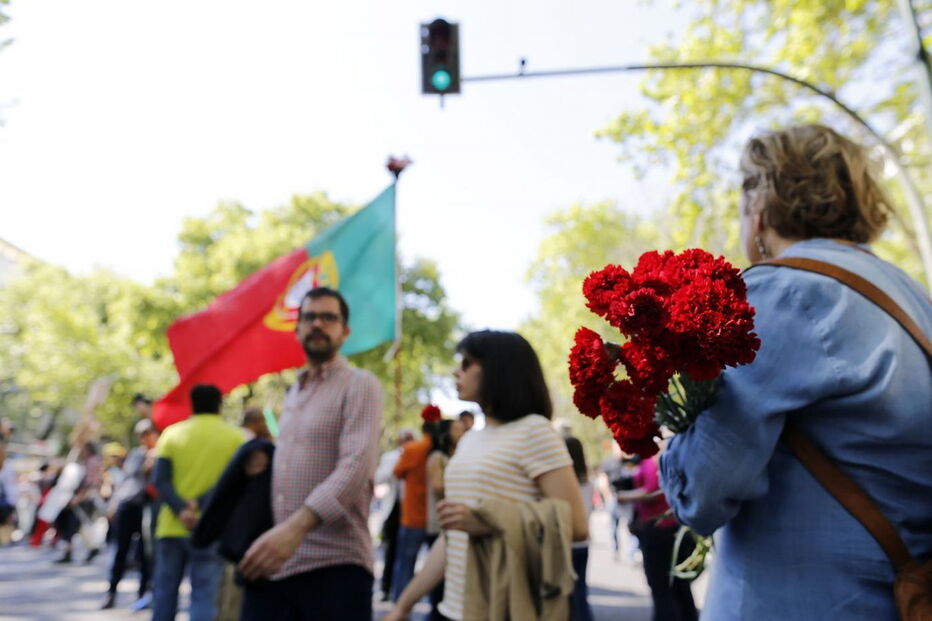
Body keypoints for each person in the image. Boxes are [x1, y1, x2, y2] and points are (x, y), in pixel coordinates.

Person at [659, 124, 932, 619]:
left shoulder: (782, 294)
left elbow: (703, 492)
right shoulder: (912, 297)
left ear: (759, 210)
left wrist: (674, 440)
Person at [387, 330, 589, 621]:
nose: (457, 371)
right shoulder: (471, 438)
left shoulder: (535, 430)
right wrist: (403, 606)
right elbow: (453, 534)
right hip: (451, 609)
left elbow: (578, 525)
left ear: (499, 369)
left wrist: (492, 519)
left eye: (467, 363)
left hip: (503, 607)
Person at [237, 286, 382, 621]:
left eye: (328, 317)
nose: (318, 324)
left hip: (334, 566)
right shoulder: (293, 393)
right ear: (297, 328)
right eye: (310, 317)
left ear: (345, 332)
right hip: (277, 562)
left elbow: (356, 466)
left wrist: (295, 529)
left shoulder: (360, 384)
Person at [151, 384, 245, 621]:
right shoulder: (235, 437)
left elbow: (160, 481)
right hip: (211, 528)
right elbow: (233, 484)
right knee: (204, 595)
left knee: (164, 592)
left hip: (171, 527)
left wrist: (181, 509)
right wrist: (199, 504)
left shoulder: (171, 434)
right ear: (219, 405)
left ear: (192, 404)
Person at [617, 455, 697, 621]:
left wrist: (623, 496)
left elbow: (652, 490)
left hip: (660, 529)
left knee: (663, 587)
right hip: (670, 527)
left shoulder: (652, 459)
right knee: (678, 586)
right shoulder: (657, 457)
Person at [101, 419, 159, 610]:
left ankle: (143, 594)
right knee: (121, 551)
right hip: (129, 506)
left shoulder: (160, 453)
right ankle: (112, 592)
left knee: (145, 554)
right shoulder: (137, 455)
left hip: (146, 506)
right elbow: (130, 478)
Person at [423, 418, 464, 620]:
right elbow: (438, 487)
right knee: (438, 583)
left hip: (454, 522)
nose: (461, 432)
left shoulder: (455, 455)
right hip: (439, 522)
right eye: (456, 429)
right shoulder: (437, 457)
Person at [390, 421, 433, 601]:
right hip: (434, 517)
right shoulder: (441, 449)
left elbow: (397, 472)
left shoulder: (413, 449)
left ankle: (400, 604)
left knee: (406, 564)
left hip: (413, 517)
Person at [375, 428, 415, 602]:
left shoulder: (418, 455)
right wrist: (399, 463)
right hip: (394, 508)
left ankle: (404, 592)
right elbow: (380, 478)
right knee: (390, 551)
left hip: (411, 509)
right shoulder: (390, 458)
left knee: (407, 552)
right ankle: (386, 588)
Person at [563, 434, 595, 621]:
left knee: (568, 595)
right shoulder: (588, 483)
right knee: (581, 590)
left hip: (568, 542)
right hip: (584, 542)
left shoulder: (565, 485)